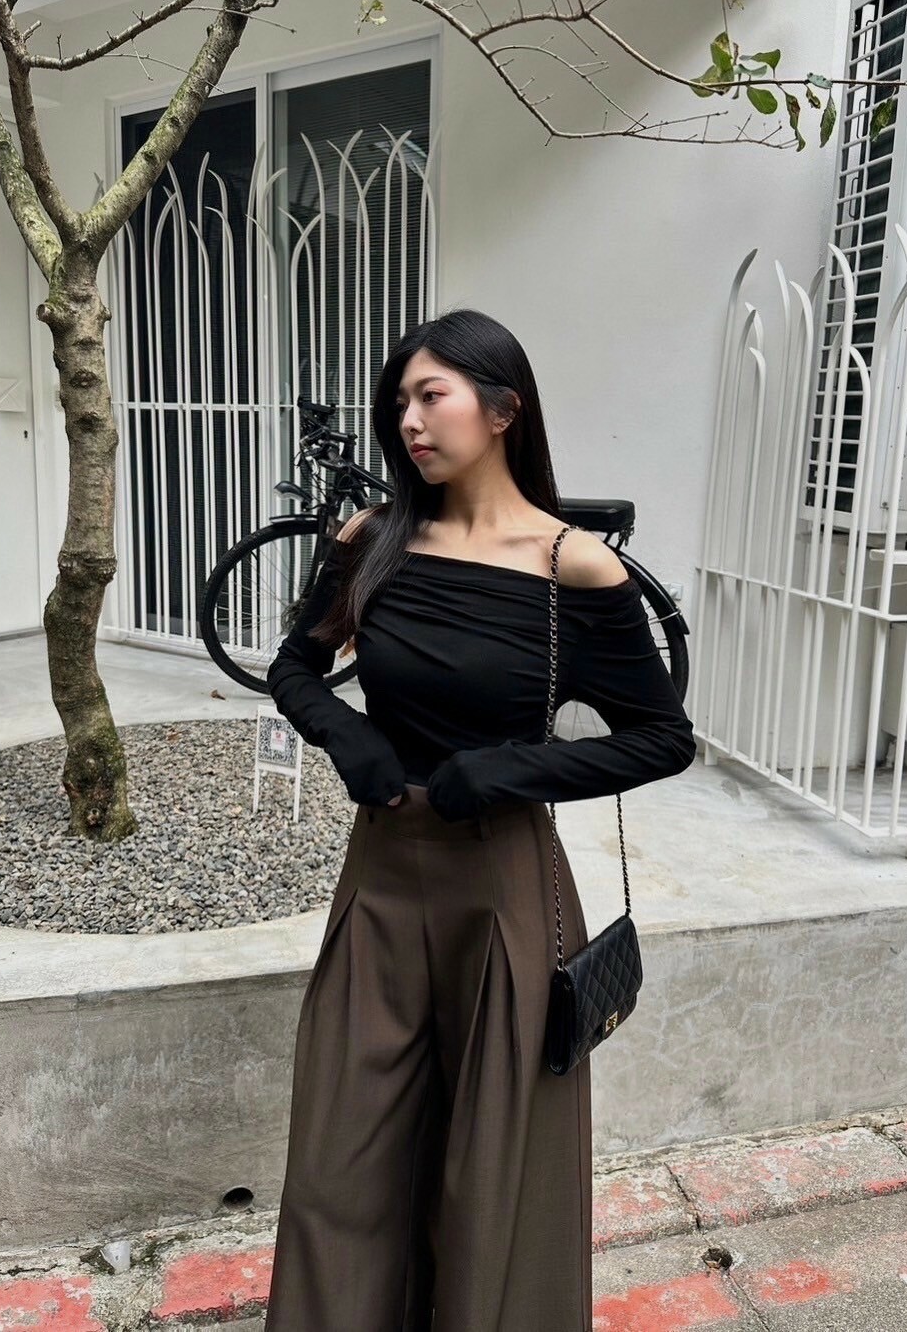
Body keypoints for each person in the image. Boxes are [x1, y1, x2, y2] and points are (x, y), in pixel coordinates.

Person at [261, 308, 697, 1332]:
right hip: (380, 880)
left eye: (431, 396)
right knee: (338, 1162)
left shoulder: (573, 567)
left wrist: (512, 770)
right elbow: (293, 667)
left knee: (490, 1177)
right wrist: (346, 734)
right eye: (398, 402)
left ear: (503, 410)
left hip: (503, 887)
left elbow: (660, 738)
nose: (407, 421)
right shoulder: (372, 540)